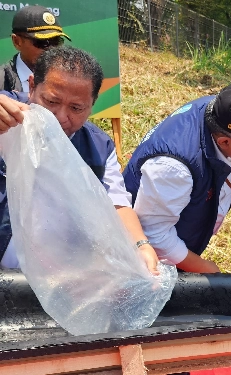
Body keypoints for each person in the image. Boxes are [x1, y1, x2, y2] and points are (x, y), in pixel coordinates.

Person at [0, 46, 159, 274]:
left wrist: (141, 245)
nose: (61, 117)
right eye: (51, 102)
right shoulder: (7, 115)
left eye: (76, 108)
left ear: (92, 104)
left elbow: (116, 204)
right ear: (32, 86)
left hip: (57, 277)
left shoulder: (99, 148)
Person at [123, 81, 231, 274]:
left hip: (180, 237)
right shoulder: (174, 168)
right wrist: (204, 267)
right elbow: (153, 234)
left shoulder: (223, 113)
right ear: (225, 141)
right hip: (141, 262)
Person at [1, 5, 70, 92]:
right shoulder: (2, 81)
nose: (51, 49)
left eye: (55, 41)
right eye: (42, 42)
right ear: (17, 41)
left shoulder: (67, 80)